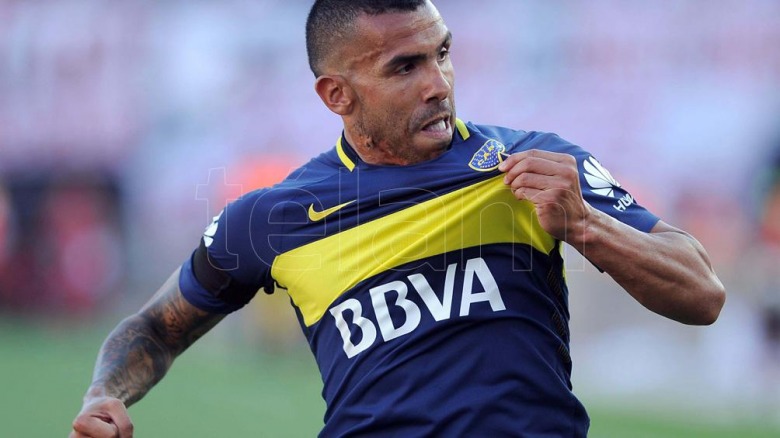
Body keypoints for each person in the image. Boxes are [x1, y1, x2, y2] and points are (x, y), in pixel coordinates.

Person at [70, 1, 726, 436]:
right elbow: (153, 329)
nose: (438, 83)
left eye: (442, 53)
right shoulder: (273, 216)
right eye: (405, 67)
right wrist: (104, 395)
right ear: (337, 94)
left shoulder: (531, 164)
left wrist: (585, 225)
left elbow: (702, 292)